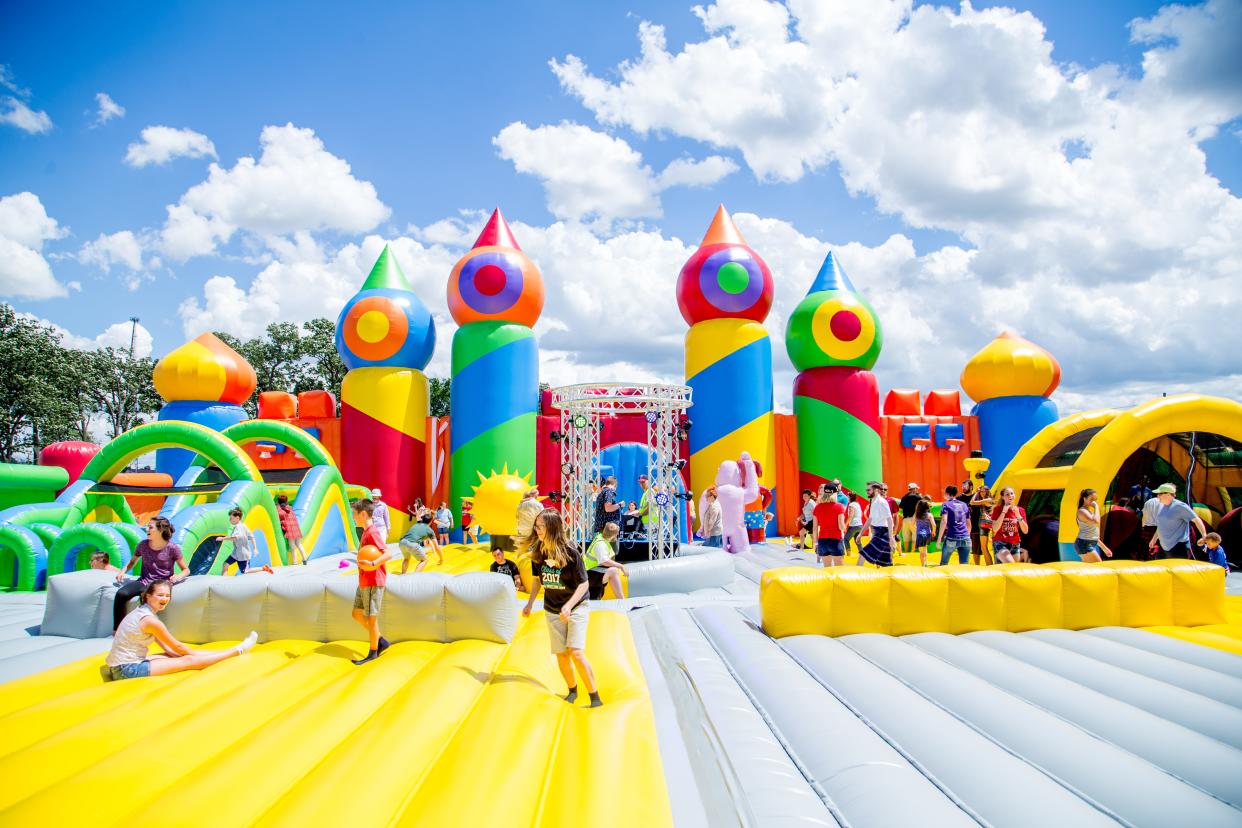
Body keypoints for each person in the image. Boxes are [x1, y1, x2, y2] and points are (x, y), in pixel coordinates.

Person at [521, 509, 602, 708]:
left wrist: (569, 605)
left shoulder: (570, 552)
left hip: (576, 606)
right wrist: (530, 603)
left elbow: (584, 584)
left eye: (541, 526)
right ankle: (572, 690)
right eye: (536, 526)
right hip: (552, 608)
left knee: (575, 651)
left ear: (552, 527)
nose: (538, 530)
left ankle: (595, 698)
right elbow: (537, 580)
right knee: (561, 653)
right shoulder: (538, 550)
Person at [107, 580, 256, 680]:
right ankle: (237, 651)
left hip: (121, 666)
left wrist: (187, 655)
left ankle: (224, 654)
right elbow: (178, 647)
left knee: (172, 655)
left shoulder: (142, 612)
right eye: (160, 595)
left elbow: (169, 649)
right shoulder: (150, 621)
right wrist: (196, 659)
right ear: (147, 596)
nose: (164, 599)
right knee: (188, 660)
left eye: (167, 595)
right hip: (126, 670)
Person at [113, 516, 190, 631]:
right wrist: (123, 571)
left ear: (160, 530)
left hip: (161, 583)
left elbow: (186, 570)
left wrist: (178, 577)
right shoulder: (143, 545)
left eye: (150, 527)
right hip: (144, 581)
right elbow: (133, 561)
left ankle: (150, 630)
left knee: (148, 600)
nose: (147, 529)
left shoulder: (172, 548)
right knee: (121, 594)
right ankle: (117, 630)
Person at [351, 499, 394, 665]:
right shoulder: (365, 532)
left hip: (373, 580)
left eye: (355, 514)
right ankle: (380, 639)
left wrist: (373, 564)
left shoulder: (373, 532)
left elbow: (387, 553)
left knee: (371, 618)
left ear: (363, 514)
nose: (353, 517)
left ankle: (373, 652)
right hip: (364, 580)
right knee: (356, 614)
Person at [1150, 483, 1208, 559]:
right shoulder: (1161, 506)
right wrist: (1154, 539)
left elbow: (1197, 520)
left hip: (1178, 547)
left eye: (1160, 494)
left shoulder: (1180, 506)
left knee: (1178, 570)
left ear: (1168, 494)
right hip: (1163, 547)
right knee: (1160, 569)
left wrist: (1204, 536)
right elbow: (1161, 525)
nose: (1157, 496)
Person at [585, 522, 628, 598]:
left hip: (592, 572)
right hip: (588, 575)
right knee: (613, 571)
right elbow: (604, 561)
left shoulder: (600, 537)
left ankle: (621, 600)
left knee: (612, 570)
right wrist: (621, 566)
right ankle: (622, 601)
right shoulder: (601, 544)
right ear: (614, 535)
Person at [857, 483, 893, 567]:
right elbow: (870, 519)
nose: (867, 492)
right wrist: (860, 533)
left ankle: (855, 576)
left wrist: (891, 537)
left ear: (876, 490)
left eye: (869, 490)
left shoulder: (881, 502)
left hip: (883, 533)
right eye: (866, 490)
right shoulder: (873, 501)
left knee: (863, 554)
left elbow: (890, 519)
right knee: (884, 562)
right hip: (877, 531)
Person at [1075, 488, 1114, 563]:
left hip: (1087, 543)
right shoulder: (1082, 511)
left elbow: (1093, 534)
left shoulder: (1088, 512)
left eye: (1095, 499)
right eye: (1092, 499)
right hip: (1084, 543)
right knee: (1098, 567)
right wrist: (1096, 506)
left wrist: (1104, 548)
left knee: (1091, 570)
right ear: (1084, 498)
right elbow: (1096, 521)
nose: (1094, 502)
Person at [991, 487, 1029, 563]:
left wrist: (1018, 515)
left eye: (1012, 493)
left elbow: (1025, 531)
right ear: (1002, 497)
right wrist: (1004, 512)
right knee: (1010, 564)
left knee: (1011, 571)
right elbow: (995, 529)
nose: (1010, 496)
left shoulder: (1020, 510)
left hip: (1015, 544)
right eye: (1007, 494)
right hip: (1000, 543)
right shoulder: (997, 509)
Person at [813, 485, 847, 567]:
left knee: (827, 569)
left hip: (822, 541)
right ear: (835, 493)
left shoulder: (817, 507)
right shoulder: (839, 507)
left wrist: (815, 543)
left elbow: (814, 529)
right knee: (839, 570)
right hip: (835, 540)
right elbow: (841, 527)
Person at [937, 485, 972, 566]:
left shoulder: (946, 504)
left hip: (952, 537)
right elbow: (968, 523)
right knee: (964, 565)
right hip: (965, 538)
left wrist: (939, 539)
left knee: (944, 564)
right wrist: (967, 536)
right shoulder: (964, 505)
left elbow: (944, 521)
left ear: (947, 494)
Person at [276, 494, 306, 565]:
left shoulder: (279, 510)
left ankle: (295, 562)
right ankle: (304, 559)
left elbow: (279, 518)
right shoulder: (290, 508)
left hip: (290, 530)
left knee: (292, 547)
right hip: (296, 528)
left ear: (278, 501)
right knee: (299, 544)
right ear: (286, 501)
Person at [223, 508, 255, 574]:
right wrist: (255, 547)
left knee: (245, 571)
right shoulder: (243, 526)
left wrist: (222, 538)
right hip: (236, 553)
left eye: (231, 518)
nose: (230, 520)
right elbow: (252, 536)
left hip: (242, 554)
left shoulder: (238, 527)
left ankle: (263, 568)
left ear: (237, 518)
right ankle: (223, 581)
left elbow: (234, 538)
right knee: (225, 564)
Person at [970, 485, 995, 565]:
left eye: (983, 491)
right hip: (983, 525)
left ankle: (990, 566)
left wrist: (976, 492)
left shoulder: (987, 499)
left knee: (984, 548)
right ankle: (989, 565)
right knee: (983, 548)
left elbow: (972, 502)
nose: (981, 492)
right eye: (981, 491)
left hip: (985, 526)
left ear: (987, 491)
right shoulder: (986, 500)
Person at [516, 488, 545, 556]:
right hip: (533, 531)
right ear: (536, 496)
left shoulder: (520, 505)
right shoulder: (538, 504)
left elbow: (517, 517)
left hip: (521, 530)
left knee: (523, 551)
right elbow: (543, 517)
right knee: (535, 552)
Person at [898, 483, 921, 554]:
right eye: (916, 489)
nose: (917, 490)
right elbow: (923, 504)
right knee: (915, 534)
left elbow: (900, 506)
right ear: (914, 489)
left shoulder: (904, 497)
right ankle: (912, 552)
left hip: (905, 519)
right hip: (914, 518)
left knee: (906, 536)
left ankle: (906, 551)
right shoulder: (918, 497)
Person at [914, 498, 936, 567]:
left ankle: (923, 565)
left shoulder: (916, 515)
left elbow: (912, 524)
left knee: (921, 552)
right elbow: (934, 525)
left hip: (920, 534)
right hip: (927, 534)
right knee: (925, 548)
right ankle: (925, 562)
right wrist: (933, 532)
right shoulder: (929, 515)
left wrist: (916, 529)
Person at [1140, 492, 1161, 559]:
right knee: (1157, 549)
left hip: (1148, 528)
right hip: (1159, 528)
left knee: (1146, 548)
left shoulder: (1148, 502)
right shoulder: (1164, 503)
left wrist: (1142, 527)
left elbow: (1144, 516)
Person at [844, 493, 865, 557]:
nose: (847, 498)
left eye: (848, 496)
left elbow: (851, 516)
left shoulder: (851, 505)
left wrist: (845, 524)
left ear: (850, 498)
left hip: (854, 525)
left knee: (846, 539)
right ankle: (862, 554)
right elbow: (861, 513)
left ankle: (848, 554)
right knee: (857, 540)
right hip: (860, 525)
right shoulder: (857, 504)